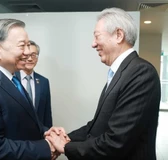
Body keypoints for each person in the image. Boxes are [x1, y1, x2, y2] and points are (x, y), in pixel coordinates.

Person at [45, 7, 161, 160]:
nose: (93, 44)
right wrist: (65, 137)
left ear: (119, 35)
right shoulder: (122, 72)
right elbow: (98, 126)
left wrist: (65, 147)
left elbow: (116, 141)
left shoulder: (140, 72)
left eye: (97, 36)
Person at [0, 19, 56, 160]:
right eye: (22, 46)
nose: (27, 52)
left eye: (28, 45)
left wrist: (47, 132)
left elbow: (23, 121)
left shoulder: (13, 78)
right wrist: (45, 147)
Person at [15, 40, 52, 128]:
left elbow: (47, 114)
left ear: (37, 58)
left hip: (38, 134)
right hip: (15, 135)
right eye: (26, 55)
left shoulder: (43, 81)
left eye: (33, 55)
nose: (30, 59)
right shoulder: (12, 79)